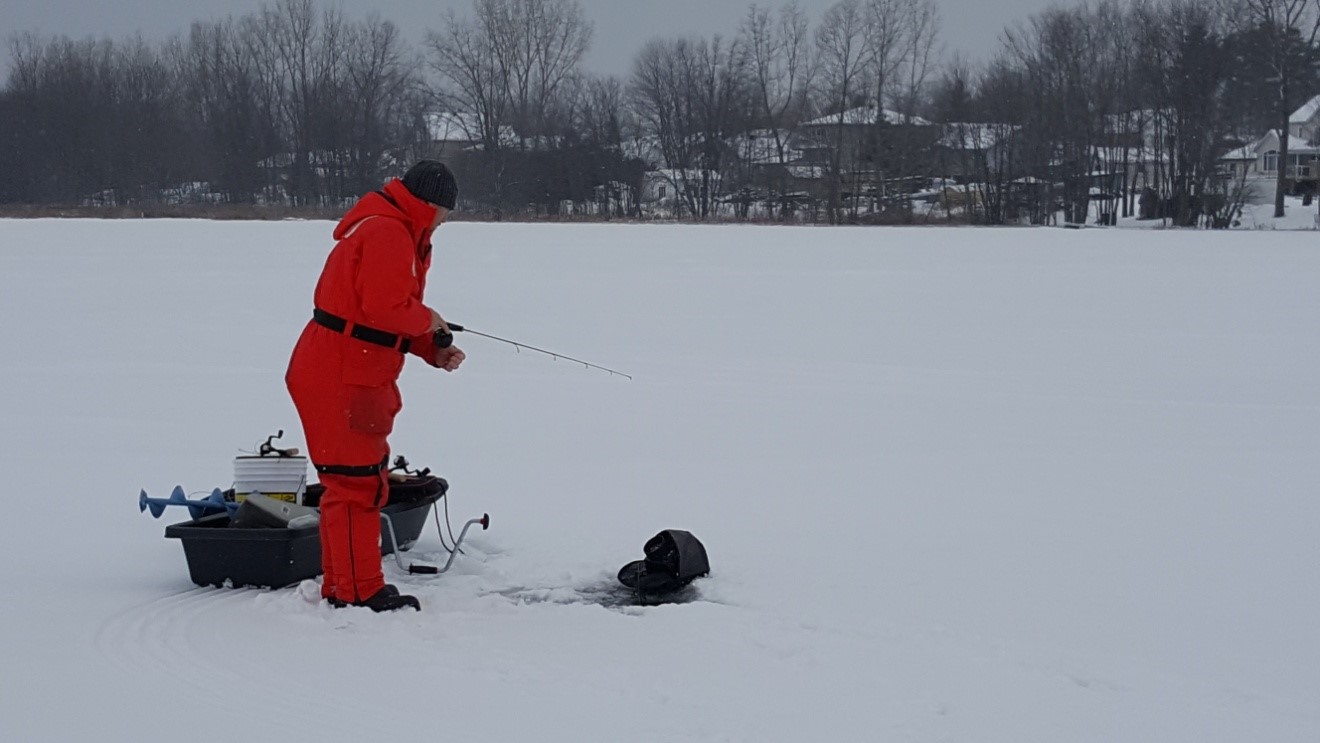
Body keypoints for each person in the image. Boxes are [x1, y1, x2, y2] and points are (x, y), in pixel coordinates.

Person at [286, 160, 465, 612]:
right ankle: (356, 592)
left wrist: (431, 347)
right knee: (354, 485)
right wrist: (429, 320)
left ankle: (345, 585)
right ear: (430, 205)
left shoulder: (397, 229)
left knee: (359, 482)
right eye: (446, 212)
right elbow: (386, 307)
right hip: (343, 374)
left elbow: (375, 317)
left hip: (355, 368)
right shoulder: (388, 232)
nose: (445, 222)